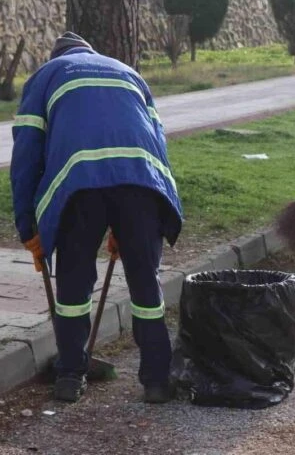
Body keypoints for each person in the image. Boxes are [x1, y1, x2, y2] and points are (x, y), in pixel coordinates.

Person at [11, 32, 183, 404]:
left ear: (56, 55)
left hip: (79, 186)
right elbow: (157, 138)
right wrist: (143, 214)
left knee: (74, 283)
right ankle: (156, 380)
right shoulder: (128, 72)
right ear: (91, 51)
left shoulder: (46, 75)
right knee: (146, 284)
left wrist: (29, 228)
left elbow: (26, 153)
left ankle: (70, 376)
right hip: (142, 181)